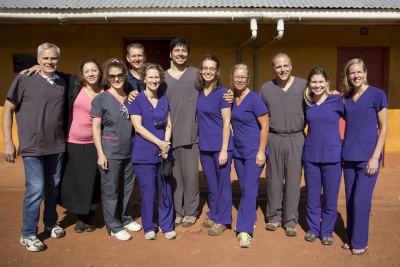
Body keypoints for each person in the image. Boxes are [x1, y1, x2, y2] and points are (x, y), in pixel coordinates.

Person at [2, 43, 66, 252]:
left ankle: (50, 222)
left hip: (56, 146)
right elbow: (8, 109)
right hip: (32, 148)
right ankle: (28, 233)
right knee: (35, 190)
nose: (50, 62)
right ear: (38, 60)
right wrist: (8, 142)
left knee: (52, 188)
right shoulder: (24, 79)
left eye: (53, 58)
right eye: (45, 58)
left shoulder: (62, 82)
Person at [341, 58, 388, 255]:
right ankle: (351, 237)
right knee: (351, 200)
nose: (356, 75)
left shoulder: (377, 95)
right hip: (348, 156)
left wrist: (375, 157)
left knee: (361, 200)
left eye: (359, 71)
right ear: (348, 76)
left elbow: (384, 128)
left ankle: (360, 242)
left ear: (365, 72)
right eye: (352, 72)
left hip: (368, 158)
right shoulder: (346, 98)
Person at [91, 59, 138, 241]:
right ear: (108, 78)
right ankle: (113, 225)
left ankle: (124, 218)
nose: (116, 78)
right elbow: (96, 128)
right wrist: (100, 153)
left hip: (130, 150)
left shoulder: (131, 97)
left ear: (125, 76)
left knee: (127, 188)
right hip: (110, 150)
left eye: (120, 75)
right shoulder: (100, 99)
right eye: (112, 76)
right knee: (111, 189)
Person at [260, 52, 306, 236]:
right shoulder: (266, 88)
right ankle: (274, 217)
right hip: (274, 137)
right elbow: (258, 114)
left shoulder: (304, 85)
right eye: (278, 66)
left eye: (285, 65)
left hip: (296, 138)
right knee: (274, 180)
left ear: (291, 66)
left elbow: (320, 100)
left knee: (294, 181)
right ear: (273, 68)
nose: (282, 69)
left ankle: (290, 220)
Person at [129, 63, 176, 240]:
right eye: (151, 77)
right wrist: (159, 142)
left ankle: (167, 225)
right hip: (144, 154)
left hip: (163, 153)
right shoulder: (137, 100)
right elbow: (138, 127)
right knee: (148, 192)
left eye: (157, 77)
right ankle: (149, 226)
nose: (154, 80)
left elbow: (169, 124)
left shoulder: (164, 99)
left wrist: (166, 144)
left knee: (165, 189)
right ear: (144, 79)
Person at [302, 67, 344, 245]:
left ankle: (326, 231)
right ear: (309, 84)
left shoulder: (337, 100)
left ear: (326, 83)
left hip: (333, 157)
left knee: (330, 197)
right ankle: (313, 228)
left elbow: (356, 116)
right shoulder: (306, 103)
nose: (317, 85)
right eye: (314, 82)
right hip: (311, 157)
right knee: (312, 196)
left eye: (321, 82)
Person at [231, 64, 269, 248]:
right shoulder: (230, 97)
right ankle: (251, 216)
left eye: (243, 77)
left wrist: (261, 151)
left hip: (254, 152)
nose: (239, 80)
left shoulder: (255, 99)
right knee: (246, 188)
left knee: (249, 188)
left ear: (248, 79)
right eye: (237, 76)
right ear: (232, 77)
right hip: (238, 152)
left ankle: (245, 230)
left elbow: (265, 126)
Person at [195, 55, 233, 236]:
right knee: (211, 184)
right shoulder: (199, 92)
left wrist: (224, 149)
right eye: (205, 68)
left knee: (223, 184)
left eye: (212, 68)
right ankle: (215, 213)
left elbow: (227, 123)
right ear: (201, 70)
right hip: (205, 146)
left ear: (217, 71)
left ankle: (223, 220)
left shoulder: (224, 93)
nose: (208, 71)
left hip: (221, 147)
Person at [164, 38, 200, 227]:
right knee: (174, 177)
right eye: (176, 50)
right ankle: (178, 211)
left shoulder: (196, 74)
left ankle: (191, 211)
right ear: (170, 54)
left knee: (191, 176)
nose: (180, 53)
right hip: (169, 136)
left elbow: (213, 90)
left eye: (184, 50)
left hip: (191, 134)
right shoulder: (162, 77)